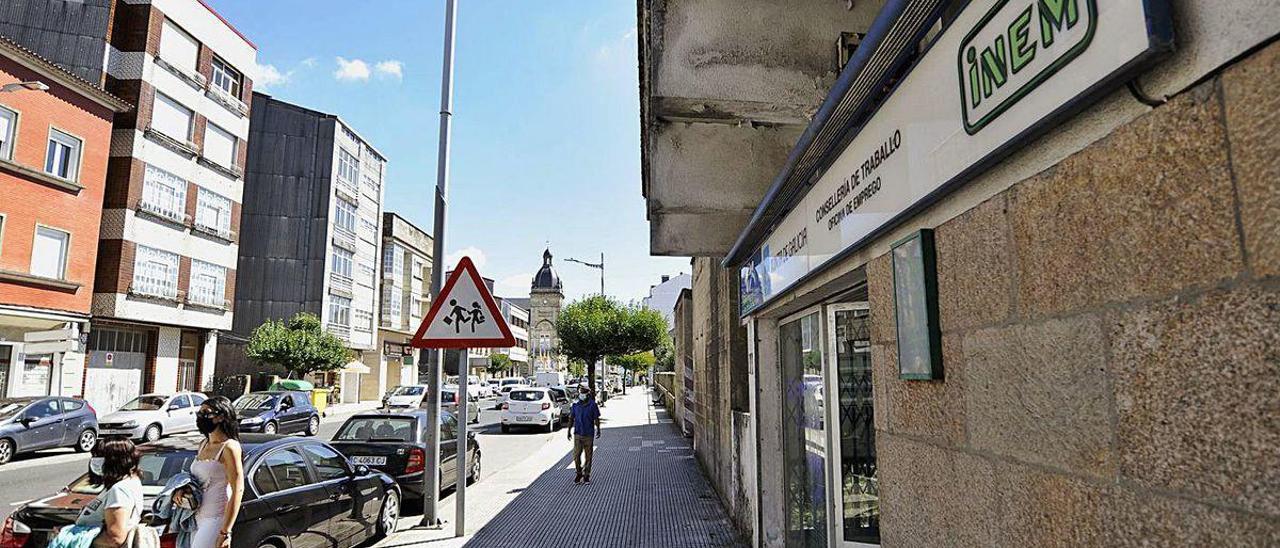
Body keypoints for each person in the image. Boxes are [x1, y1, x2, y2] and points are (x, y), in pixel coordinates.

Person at [188, 396, 244, 548]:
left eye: (206, 412)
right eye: (199, 413)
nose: (201, 417)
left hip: (215, 519)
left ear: (221, 416)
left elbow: (238, 490)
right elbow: (195, 480)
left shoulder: (229, 447)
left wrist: (226, 531)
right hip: (195, 516)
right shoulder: (203, 444)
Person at [73, 438, 144, 547]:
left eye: (100, 456)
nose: (95, 460)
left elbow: (116, 538)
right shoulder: (124, 484)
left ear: (115, 460)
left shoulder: (120, 489)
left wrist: (72, 537)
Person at [566, 384, 601, 484]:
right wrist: (568, 431)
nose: (581, 394)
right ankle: (578, 473)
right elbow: (571, 419)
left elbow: (596, 418)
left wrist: (598, 429)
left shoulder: (593, 405)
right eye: (580, 392)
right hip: (578, 434)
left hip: (589, 434)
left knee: (588, 456)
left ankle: (586, 475)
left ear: (587, 394)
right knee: (576, 456)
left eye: (583, 393)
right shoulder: (575, 405)